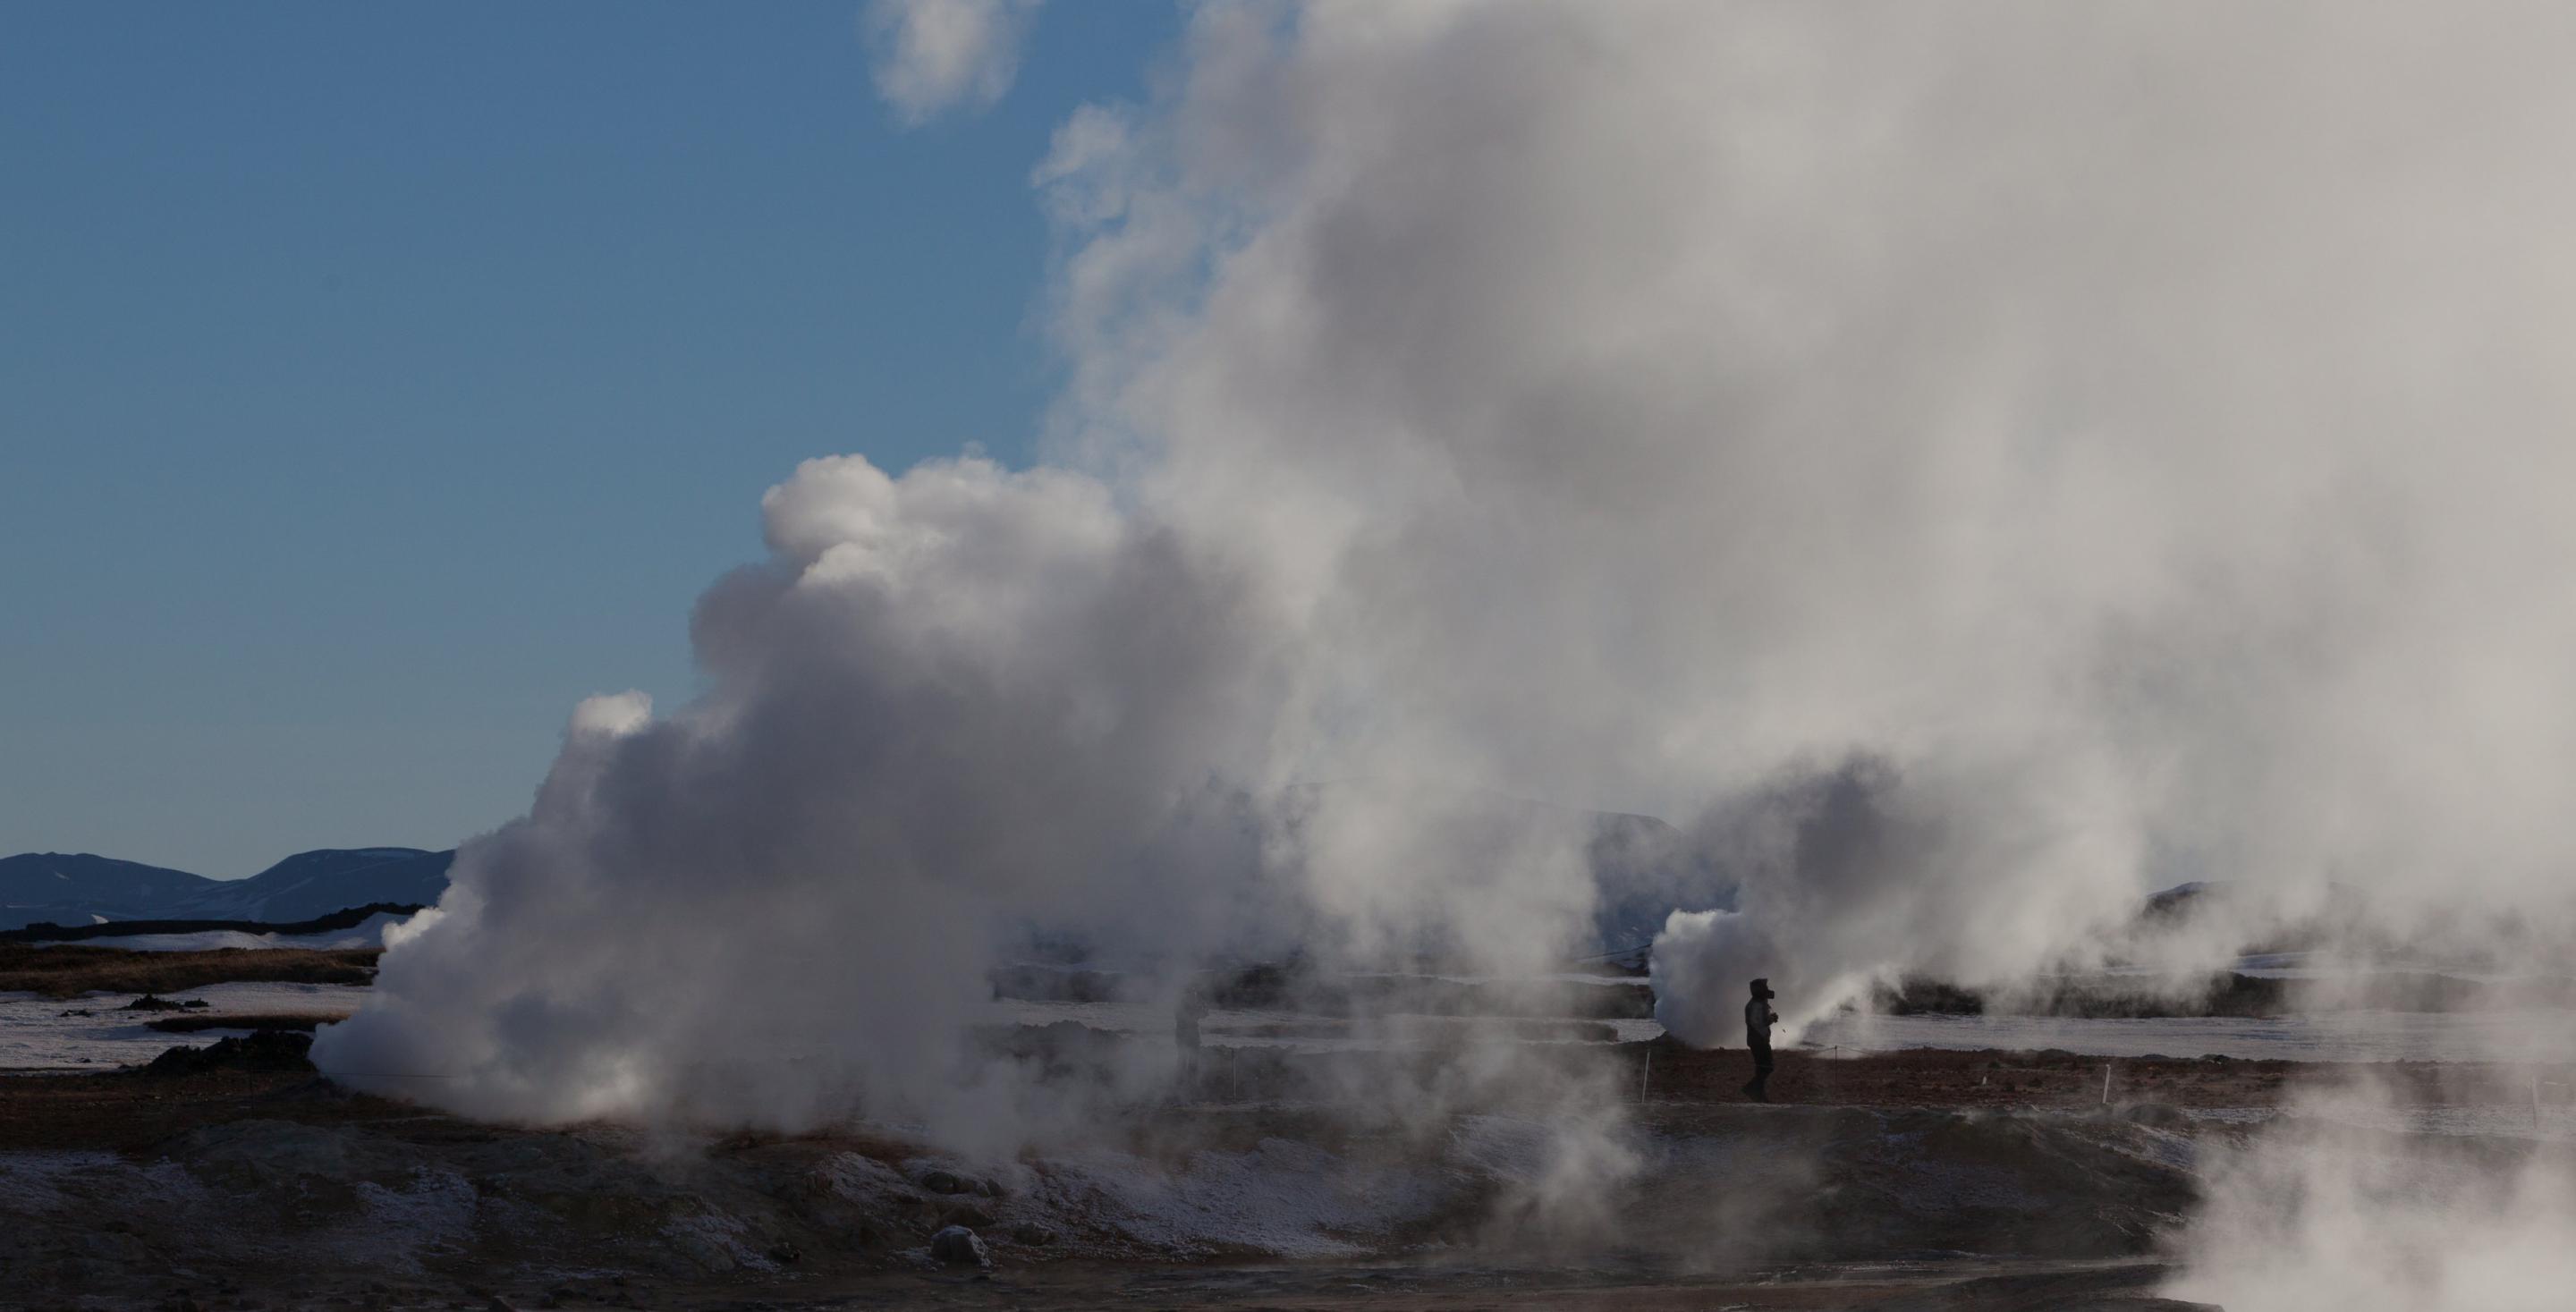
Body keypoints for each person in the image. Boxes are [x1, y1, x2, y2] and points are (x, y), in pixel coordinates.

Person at [1741, 978, 1779, 1102]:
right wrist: (1772, 1019)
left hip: (1758, 1040)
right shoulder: (1756, 1004)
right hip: (1759, 1040)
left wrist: (1770, 1017)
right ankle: (1752, 1089)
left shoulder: (1758, 1003)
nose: (1767, 990)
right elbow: (1759, 1023)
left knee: (1762, 1068)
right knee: (1767, 1067)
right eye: (1765, 988)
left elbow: (1759, 1021)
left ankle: (1759, 1094)